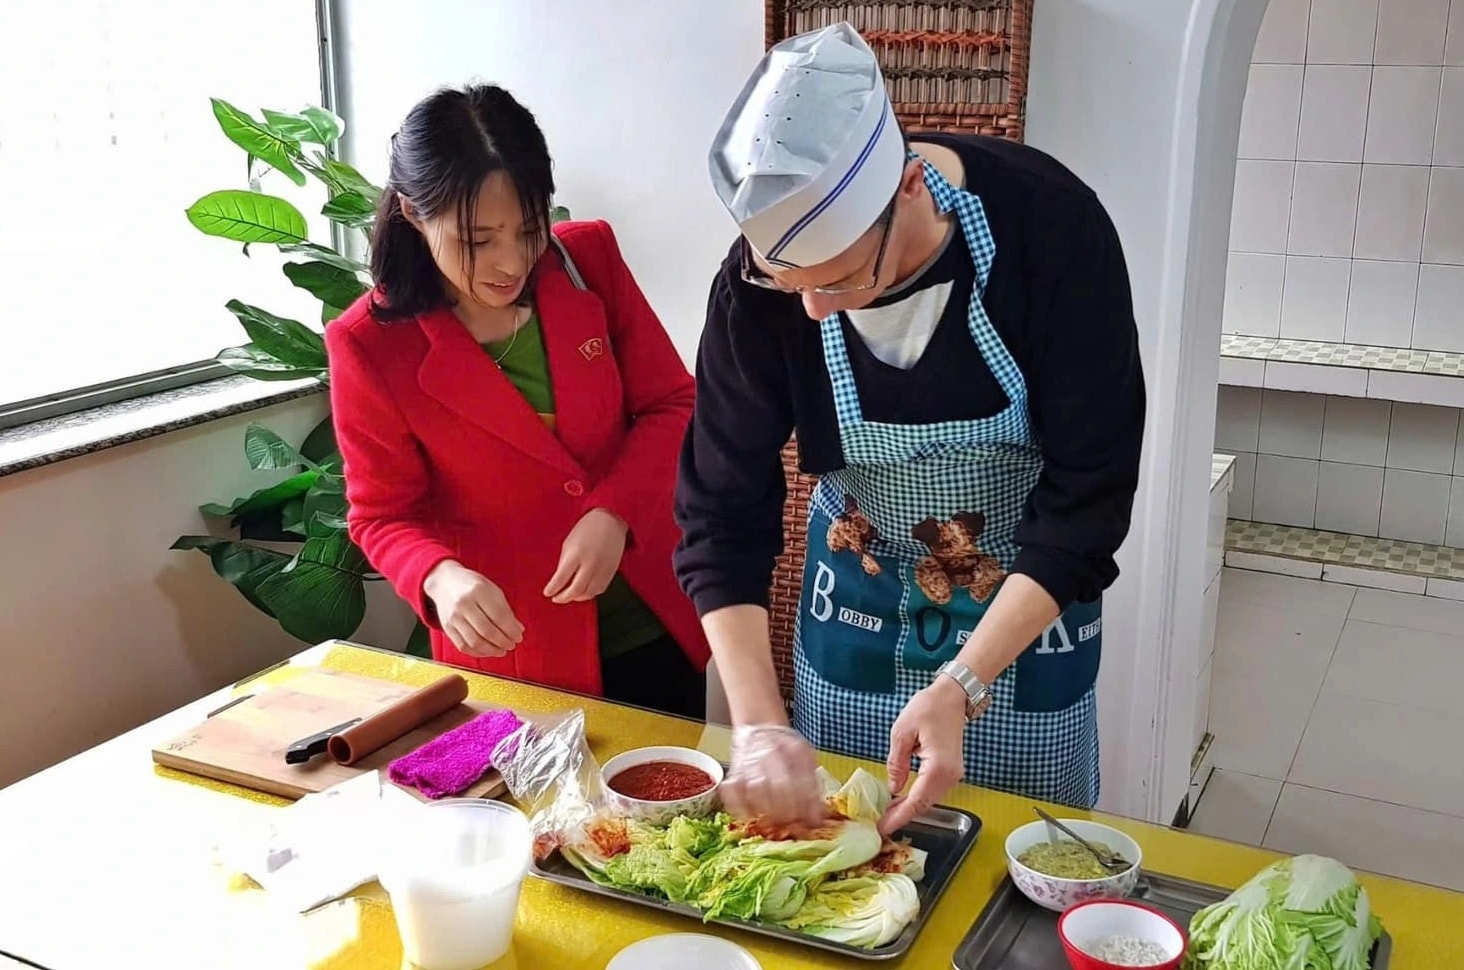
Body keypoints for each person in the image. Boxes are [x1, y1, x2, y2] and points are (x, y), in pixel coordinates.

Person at [674, 23, 1145, 831]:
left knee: (1016, 852)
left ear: (912, 188)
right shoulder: (757, 287)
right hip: (857, 606)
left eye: (841, 280)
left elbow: (1090, 500)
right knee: (848, 854)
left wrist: (963, 682)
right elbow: (720, 512)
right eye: (791, 285)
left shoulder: (1052, 230)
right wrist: (757, 724)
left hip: (1024, 613)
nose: (812, 310)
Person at [327, 83, 709, 718]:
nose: (512, 263)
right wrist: (438, 577)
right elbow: (381, 514)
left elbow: (674, 404)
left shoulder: (585, 261)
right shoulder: (371, 343)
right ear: (414, 215)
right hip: (518, 646)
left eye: (529, 230)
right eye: (478, 241)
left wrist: (613, 512)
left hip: (653, 620)